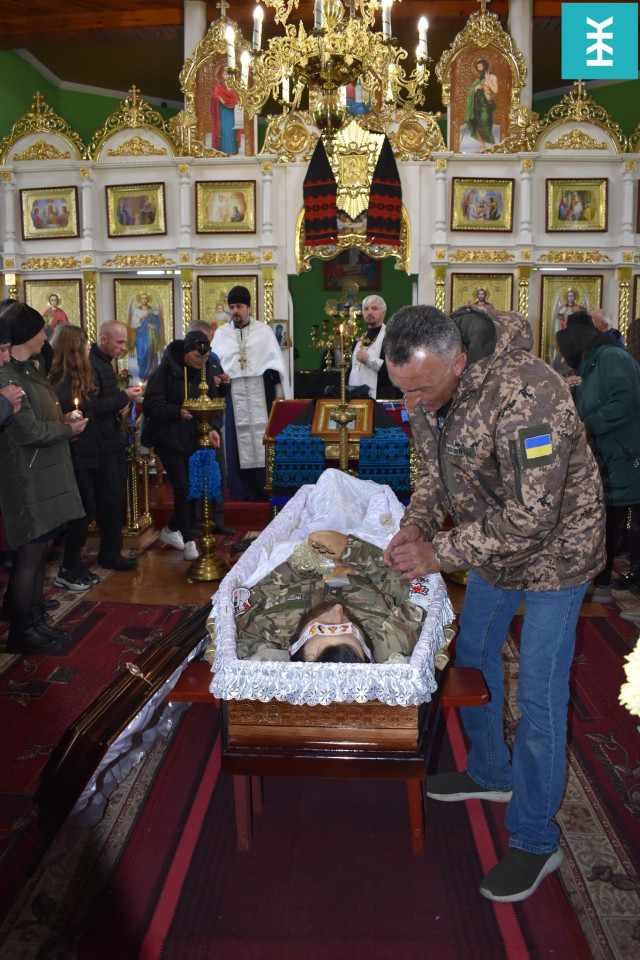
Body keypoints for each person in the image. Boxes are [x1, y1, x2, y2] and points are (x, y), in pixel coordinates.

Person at [382, 304, 605, 903]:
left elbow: (535, 516)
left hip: (558, 553)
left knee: (539, 696)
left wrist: (439, 552)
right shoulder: (425, 382)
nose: (413, 403)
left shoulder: (531, 395)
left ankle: (535, 839)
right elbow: (431, 473)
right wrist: (416, 523)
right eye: (403, 390)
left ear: (459, 361)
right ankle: (489, 771)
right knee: (473, 658)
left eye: (422, 391)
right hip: (490, 544)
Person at [0, 302, 88, 655]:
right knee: (31, 554)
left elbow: (40, 417)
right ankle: (22, 631)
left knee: (41, 552)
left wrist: (63, 422)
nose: (45, 335)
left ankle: (35, 621)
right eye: (40, 330)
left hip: (46, 474)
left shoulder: (31, 369)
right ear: (26, 335)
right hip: (27, 478)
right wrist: (66, 430)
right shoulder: (8, 377)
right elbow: (27, 432)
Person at [235, 529, 426, 663]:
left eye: (321, 627)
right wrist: (354, 551)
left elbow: (267, 587)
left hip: (304, 557)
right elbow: (412, 589)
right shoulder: (388, 638)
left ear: (293, 648)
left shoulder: (268, 627)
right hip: (375, 555)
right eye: (352, 630)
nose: (338, 611)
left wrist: (311, 563)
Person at [556, 316, 640, 606]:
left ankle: (618, 587)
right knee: (608, 519)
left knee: (618, 520)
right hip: (610, 453)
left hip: (626, 453)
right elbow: (594, 399)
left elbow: (625, 400)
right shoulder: (593, 363)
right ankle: (602, 583)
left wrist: (590, 425)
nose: (564, 359)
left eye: (565, 352)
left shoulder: (612, 358)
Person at [142, 330, 229, 559]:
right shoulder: (165, 371)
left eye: (206, 356)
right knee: (182, 487)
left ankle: (171, 529)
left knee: (193, 488)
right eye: (198, 356)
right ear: (186, 352)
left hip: (194, 438)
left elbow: (213, 402)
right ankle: (189, 540)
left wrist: (212, 428)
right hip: (168, 437)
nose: (202, 360)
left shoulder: (206, 370)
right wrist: (176, 411)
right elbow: (150, 405)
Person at [211, 285, 291, 501]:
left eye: (239, 306)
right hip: (233, 393)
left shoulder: (263, 331)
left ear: (249, 308)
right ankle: (241, 490)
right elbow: (214, 365)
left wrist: (279, 394)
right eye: (232, 307)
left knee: (262, 437)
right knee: (236, 442)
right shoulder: (221, 334)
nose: (235, 311)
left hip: (260, 392)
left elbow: (274, 366)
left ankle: (263, 488)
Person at [48, 325, 102, 591]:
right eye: (85, 342)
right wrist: (68, 420)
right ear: (74, 348)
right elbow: (56, 417)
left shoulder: (78, 375)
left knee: (86, 510)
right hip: (72, 454)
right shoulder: (59, 380)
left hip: (85, 452)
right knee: (82, 511)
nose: (89, 347)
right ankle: (67, 569)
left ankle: (74, 565)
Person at [90, 321, 143, 570]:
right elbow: (94, 406)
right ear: (103, 340)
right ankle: (109, 555)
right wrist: (125, 397)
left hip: (113, 440)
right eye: (119, 342)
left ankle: (112, 551)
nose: (123, 347)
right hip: (104, 444)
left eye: (124, 342)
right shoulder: (93, 364)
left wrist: (123, 404)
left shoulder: (105, 363)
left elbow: (107, 402)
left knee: (116, 498)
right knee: (111, 499)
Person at [347, 295, 398, 399]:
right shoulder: (358, 340)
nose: (369, 312)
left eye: (374, 308)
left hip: (382, 395)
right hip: (357, 398)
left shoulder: (392, 338)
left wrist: (369, 360)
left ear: (383, 313)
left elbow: (396, 369)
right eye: (366, 309)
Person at [126, 291, 162, 381]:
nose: (144, 300)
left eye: (145, 298)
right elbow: (133, 324)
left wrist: (152, 326)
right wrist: (142, 317)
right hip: (139, 336)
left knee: (148, 352)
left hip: (149, 336)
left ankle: (150, 374)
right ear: (140, 300)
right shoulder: (137, 311)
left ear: (148, 299)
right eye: (142, 298)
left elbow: (157, 324)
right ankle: (142, 374)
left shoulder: (152, 310)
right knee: (140, 356)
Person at [463, 59, 498, 150]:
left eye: (480, 67)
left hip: (486, 106)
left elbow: (495, 90)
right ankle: (483, 146)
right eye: (477, 67)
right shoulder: (477, 80)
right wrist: (477, 87)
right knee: (477, 125)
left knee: (485, 125)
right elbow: (471, 92)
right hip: (477, 107)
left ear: (484, 66)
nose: (479, 69)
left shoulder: (492, 77)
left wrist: (488, 81)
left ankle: (492, 145)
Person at [210, 65, 239, 155]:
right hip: (222, 112)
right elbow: (214, 97)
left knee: (231, 130)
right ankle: (223, 151)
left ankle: (232, 150)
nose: (226, 76)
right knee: (224, 130)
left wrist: (235, 101)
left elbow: (236, 98)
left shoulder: (233, 86)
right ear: (221, 75)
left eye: (228, 74)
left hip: (231, 113)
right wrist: (219, 98)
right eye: (224, 74)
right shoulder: (218, 86)